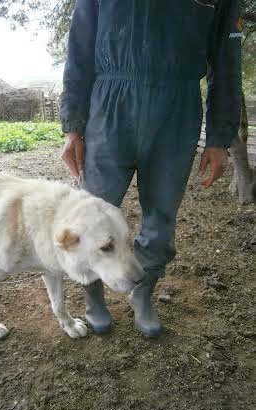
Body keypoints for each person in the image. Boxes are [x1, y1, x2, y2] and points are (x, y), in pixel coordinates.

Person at [60, 0, 242, 337]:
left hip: (178, 109)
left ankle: (142, 293)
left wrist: (219, 137)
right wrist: (73, 126)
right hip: (110, 105)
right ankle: (93, 294)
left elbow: (226, 62)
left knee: (161, 217)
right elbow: (80, 45)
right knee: (91, 213)